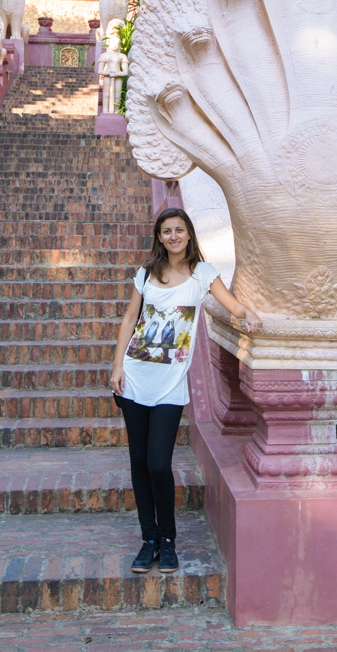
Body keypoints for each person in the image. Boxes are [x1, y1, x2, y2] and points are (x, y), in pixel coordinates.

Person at [111, 207, 258, 575]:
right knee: (140, 463)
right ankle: (148, 540)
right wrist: (116, 366)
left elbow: (231, 304)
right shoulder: (146, 274)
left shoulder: (202, 274)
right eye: (166, 231)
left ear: (189, 235)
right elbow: (130, 319)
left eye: (179, 230)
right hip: (134, 376)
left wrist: (248, 315)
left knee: (159, 463)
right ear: (159, 237)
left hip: (170, 384)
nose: (173, 236)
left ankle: (169, 539)